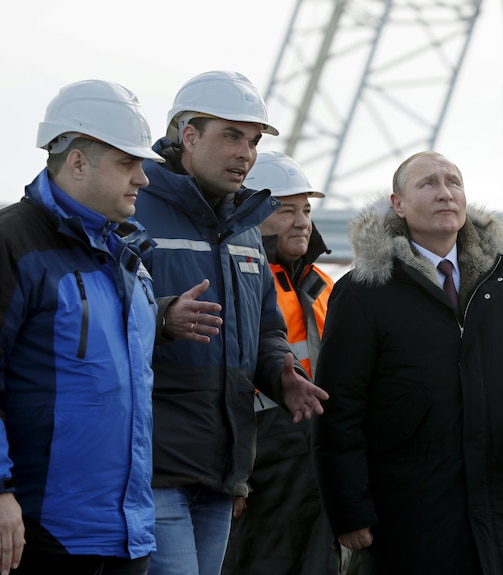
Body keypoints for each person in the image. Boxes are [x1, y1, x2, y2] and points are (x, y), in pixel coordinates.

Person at [311, 150, 503, 574]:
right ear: (397, 204)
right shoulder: (364, 293)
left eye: (452, 182)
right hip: (406, 513)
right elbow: (339, 409)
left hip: (494, 511)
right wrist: (350, 512)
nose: (445, 193)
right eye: (428, 184)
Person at [133, 71, 329, 575]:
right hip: (154, 466)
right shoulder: (133, 212)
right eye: (231, 135)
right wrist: (161, 318)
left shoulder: (243, 231)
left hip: (223, 469)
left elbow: (266, 329)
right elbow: (94, 317)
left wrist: (281, 372)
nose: (246, 153)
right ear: (188, 135)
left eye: (253, 141)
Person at [0, 79, 163, 574]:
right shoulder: (14, 242)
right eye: (127, 163)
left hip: (127, 534)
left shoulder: (126, 254)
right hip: (43, 531)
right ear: (77, 161)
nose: (143, 178)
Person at [222, 151, 357, 575]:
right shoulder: (234, 279)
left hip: (317, 468)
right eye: (285, 210)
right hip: (261, 469)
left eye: (306, 210)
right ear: (251, 213)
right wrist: (232, 473)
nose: (301, 221)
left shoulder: (325, 289)